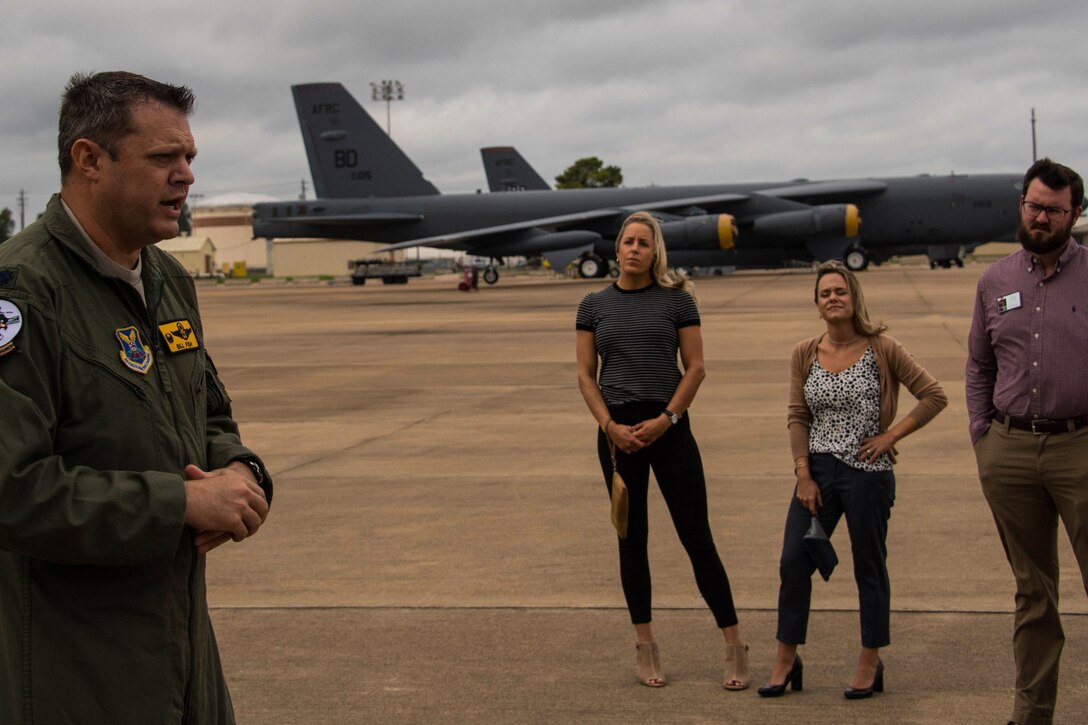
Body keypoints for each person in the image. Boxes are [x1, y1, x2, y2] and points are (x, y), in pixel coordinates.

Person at [0, 71, 273, 723]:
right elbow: (12, 489)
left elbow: (207, 416)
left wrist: (242, 472)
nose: (185, 175)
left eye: (189, 159)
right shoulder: (24, 295)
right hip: (74, 672)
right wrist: (178, 500)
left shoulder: (167, 279)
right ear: (89, 159)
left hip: (181, 658)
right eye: (162, 158)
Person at [576, 211, 749, 689]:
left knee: (697, 537)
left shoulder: (678, 302)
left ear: (656, 253)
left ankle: (734, 644)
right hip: (617, 435)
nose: (634, 249)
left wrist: (667, 419)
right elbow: (586, 376)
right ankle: (645, 645)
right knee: (632, 542)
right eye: (627, 241)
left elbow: (695, 368)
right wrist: (610, 426)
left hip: (669, 427)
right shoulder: (592, 306)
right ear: (617, 249)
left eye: (643, 243)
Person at [758, 261, 946, 700]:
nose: (833, 298)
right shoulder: (805, 351)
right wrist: (803, 473)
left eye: (840, 291)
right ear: (817, 304)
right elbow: (798, 416)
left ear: (853, 296)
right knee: (794, 560)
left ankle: (869, 660)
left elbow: (934, 395)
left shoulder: (883, 347)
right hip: (817, 475)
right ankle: (786, 658)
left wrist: (891, 435)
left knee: (869, 566)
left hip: (867, 474)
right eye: (825, 293)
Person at [966, 158, 1087, 725]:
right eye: (1033, 205)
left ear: (1075, 214)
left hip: (1079, 447)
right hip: (1009, 452)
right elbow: (978, 365)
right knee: (1033, 594)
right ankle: (1032, 714)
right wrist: (983, 441)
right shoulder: (995, 279)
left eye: (1053, 210)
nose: (1040, 217)